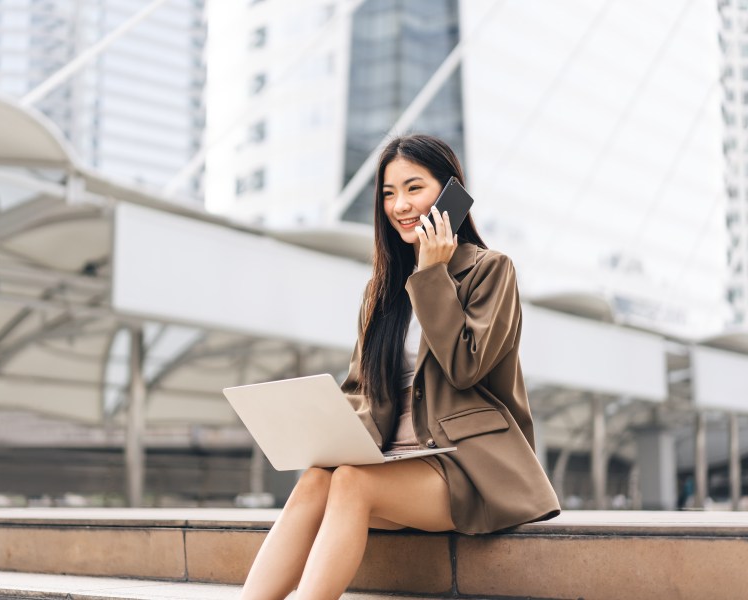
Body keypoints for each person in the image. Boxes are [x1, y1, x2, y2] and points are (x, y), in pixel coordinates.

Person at [240, 134, 560, 600]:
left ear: (450, 192)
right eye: (389, 193)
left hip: (466, 470)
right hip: (393, 464)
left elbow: (465, 367)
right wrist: (328, 429)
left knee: (349, 482)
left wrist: (432, 274)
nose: (400, 205)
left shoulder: (491, 271)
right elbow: (362, 388)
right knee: (316, 480)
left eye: (415, 188)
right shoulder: (381, 290)